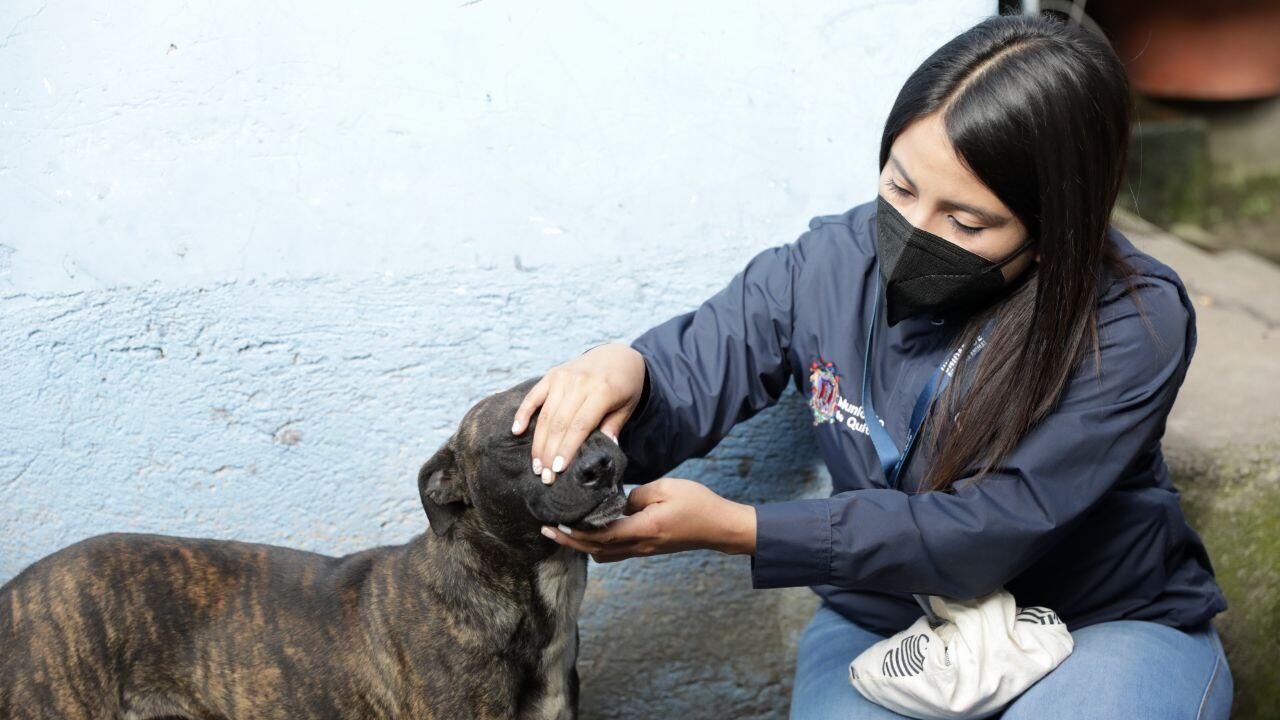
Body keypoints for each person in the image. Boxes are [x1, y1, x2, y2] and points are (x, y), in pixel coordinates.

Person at [509, 13, 1232, 719]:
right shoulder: (825, 262)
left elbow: (990, 531)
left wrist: (746, 529)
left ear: (1053, 231)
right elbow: (695, 371)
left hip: (1096, 623)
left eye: (965, 222)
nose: (910, 233)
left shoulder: (1133, 321)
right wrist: (624, 372)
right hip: (886, 622)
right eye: (899, 186)